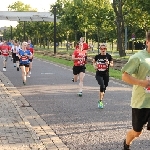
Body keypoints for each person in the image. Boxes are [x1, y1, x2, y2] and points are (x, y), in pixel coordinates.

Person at [121, 32, 150, 150]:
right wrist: (142, 83)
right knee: (137, 132)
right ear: (147, 42)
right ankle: (126, 143)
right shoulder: (138, 57)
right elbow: (124, 76)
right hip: (141, 102)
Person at [93, 44, 113, 109]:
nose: (103, 50)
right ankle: (100, 101)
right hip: (99, 74)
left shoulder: (109, 56)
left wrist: (109, 63)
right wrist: (95, 66)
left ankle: (101, 100)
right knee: (102, 85)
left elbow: (112, 64)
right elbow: (93, 62)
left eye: (104, 49)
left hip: (106, 74)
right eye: (101, 49)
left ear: (106, 49)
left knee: (104, 88)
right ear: (100, 49)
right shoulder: (97, 56)